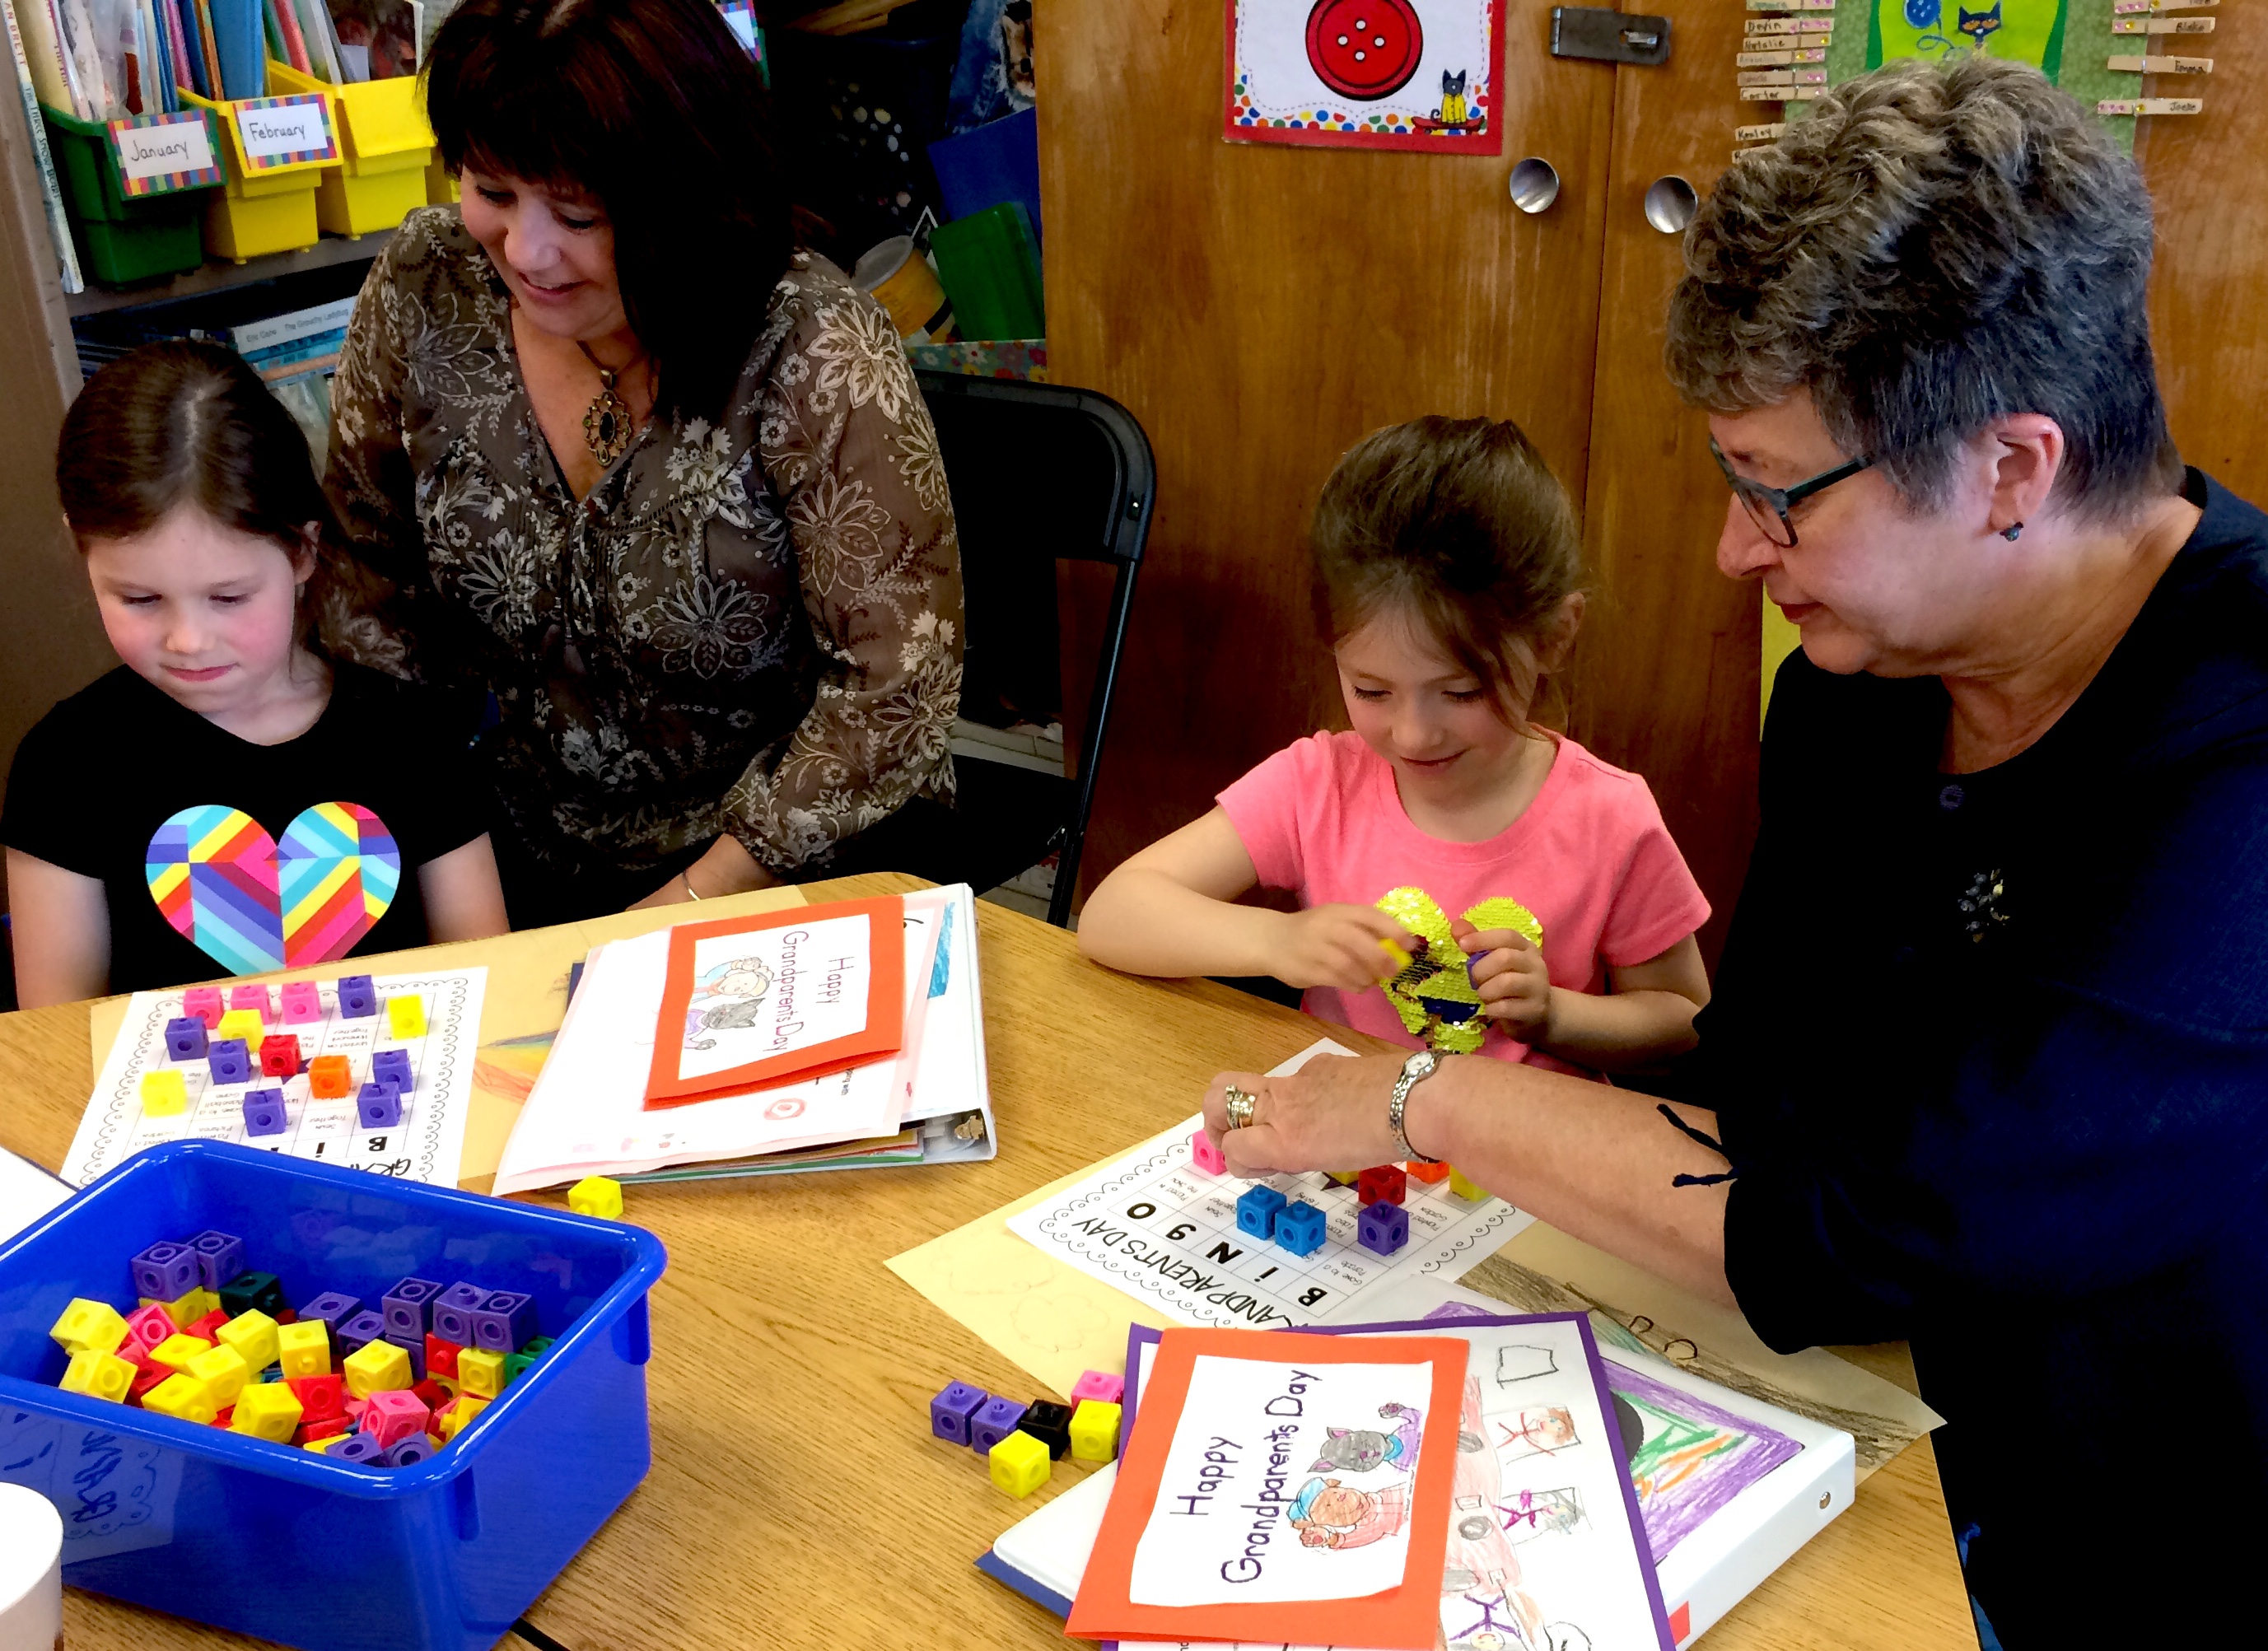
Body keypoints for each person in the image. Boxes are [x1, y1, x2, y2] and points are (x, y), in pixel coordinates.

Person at [1189, 58, 2268, 1640]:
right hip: (1832, 1406)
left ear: (2010, 472)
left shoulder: (2228, 772)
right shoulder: (1860, 687)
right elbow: (1762, 1088)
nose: (1728, 551)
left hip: (2126, 1530)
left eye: (1777, 495)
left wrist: (1418, 1090)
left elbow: (1848, 1228)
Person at [325, 0, 963, 926]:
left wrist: (678, 909)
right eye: (493, 192)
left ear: (687, 195)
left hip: (796, 865)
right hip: (517, 851)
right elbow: (366, 593)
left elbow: (895, 689)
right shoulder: (429, 287)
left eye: (578, 212)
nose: (526, 252)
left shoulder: (809, 344)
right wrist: (432, 844)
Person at [1079, 417, 1711, 1078]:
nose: (1412, 735)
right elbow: (1111, 914)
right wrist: (1276, 939)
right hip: (1347, 1156)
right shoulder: (1319, 782)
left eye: (1462, 692)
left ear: (1555, 635)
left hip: (1517, 1159)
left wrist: (1556, 1013)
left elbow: (1685, 1016)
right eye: (1372, 690)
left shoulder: (1610, 819)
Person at [3, 343, 510, 1005]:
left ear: (303, 550)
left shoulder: (413, 735)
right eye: (139, 599)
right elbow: (59, 1037)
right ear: (82, 548)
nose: (188, 640)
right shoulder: (65, 765)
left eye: (229, 597)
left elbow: (490, 981)